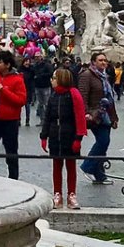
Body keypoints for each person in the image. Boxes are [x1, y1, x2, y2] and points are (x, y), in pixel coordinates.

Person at [42, 66, 88, 208]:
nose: (52, 80)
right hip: (55, 133)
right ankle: (57, 194)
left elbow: (80, 117)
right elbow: (48, 117)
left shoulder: (73, 94)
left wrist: (78, 138)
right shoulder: (53, 95)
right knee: (56, 165)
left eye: (55, 78)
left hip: (70, 134)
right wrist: (44, 136)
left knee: (70, 166)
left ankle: (71, 194)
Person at [81, 69, 118, 185]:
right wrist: (86, 112)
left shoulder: (104, 76)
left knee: (104, 143)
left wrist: (114, 117)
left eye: (104, 60)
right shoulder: (87, 75)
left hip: (106, 114)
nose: (103, 62)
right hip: (95, 114)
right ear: (93, 62)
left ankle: (99, 175)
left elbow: (110, 98)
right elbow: (83, 94)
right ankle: (87, 166)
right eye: (100, 60)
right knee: (103, 141)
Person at [23, 54, 53, 130]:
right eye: (35, 57)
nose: (37, 58)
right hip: (38, 86)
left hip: (45, 86)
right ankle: (42, 121)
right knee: (40, 104)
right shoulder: (34, 66)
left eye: (38, 57)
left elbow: (50, 73)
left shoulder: (46, 65)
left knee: (46, 104)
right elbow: (31, 73)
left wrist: (41, 75)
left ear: (41, 57)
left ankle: (47, 121)